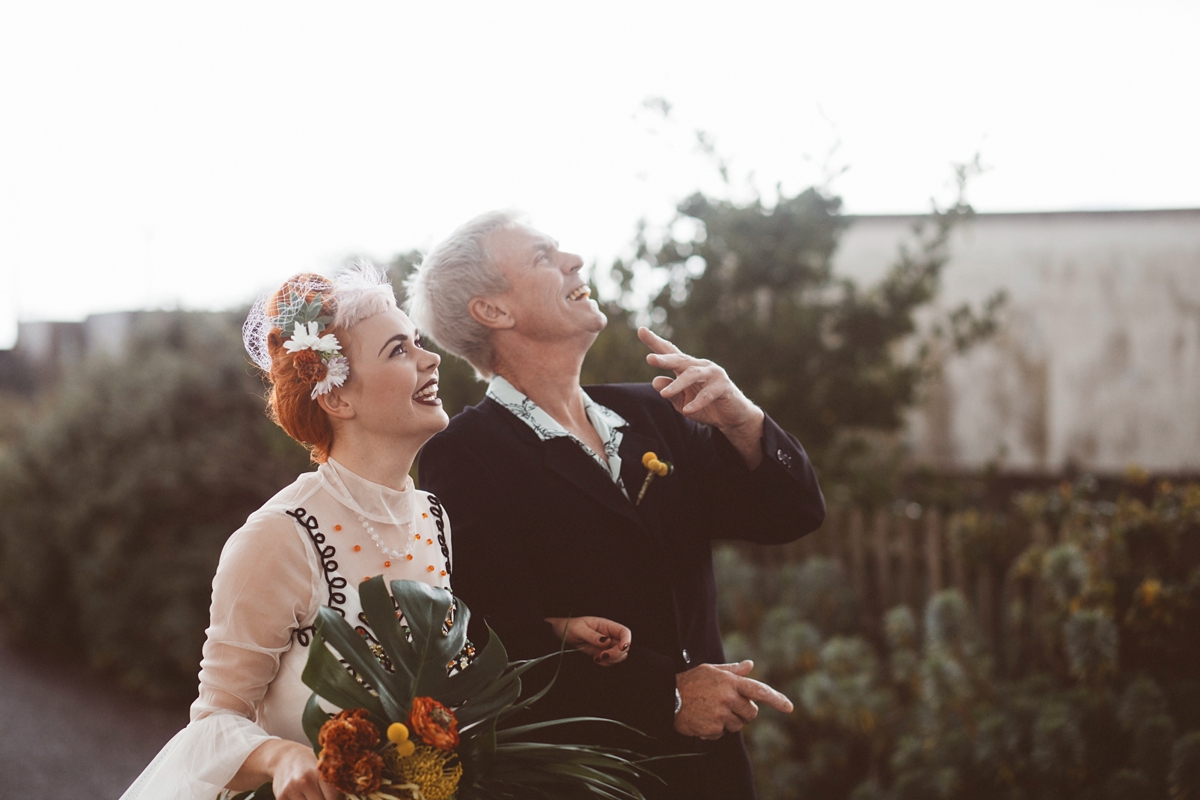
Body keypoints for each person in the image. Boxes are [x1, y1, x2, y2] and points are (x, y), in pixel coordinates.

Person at [121, 263, 631, 800]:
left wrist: (554, 627)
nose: (431, 358)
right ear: (338, 398)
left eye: (417, 342)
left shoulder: (432, 516)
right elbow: (211, 725)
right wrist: (281, 757)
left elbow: (431, 658)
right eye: (398, 350)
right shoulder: (280, 537)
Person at [408, 211, 827, 799]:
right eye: (541, 257)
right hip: (594, 780)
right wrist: (669, 694)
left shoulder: (655, 411)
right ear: (494, 311)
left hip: (712, 773)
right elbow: (491, 639)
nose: (573, 261)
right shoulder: (464, 453)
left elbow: (792, 516)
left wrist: (743, 420)